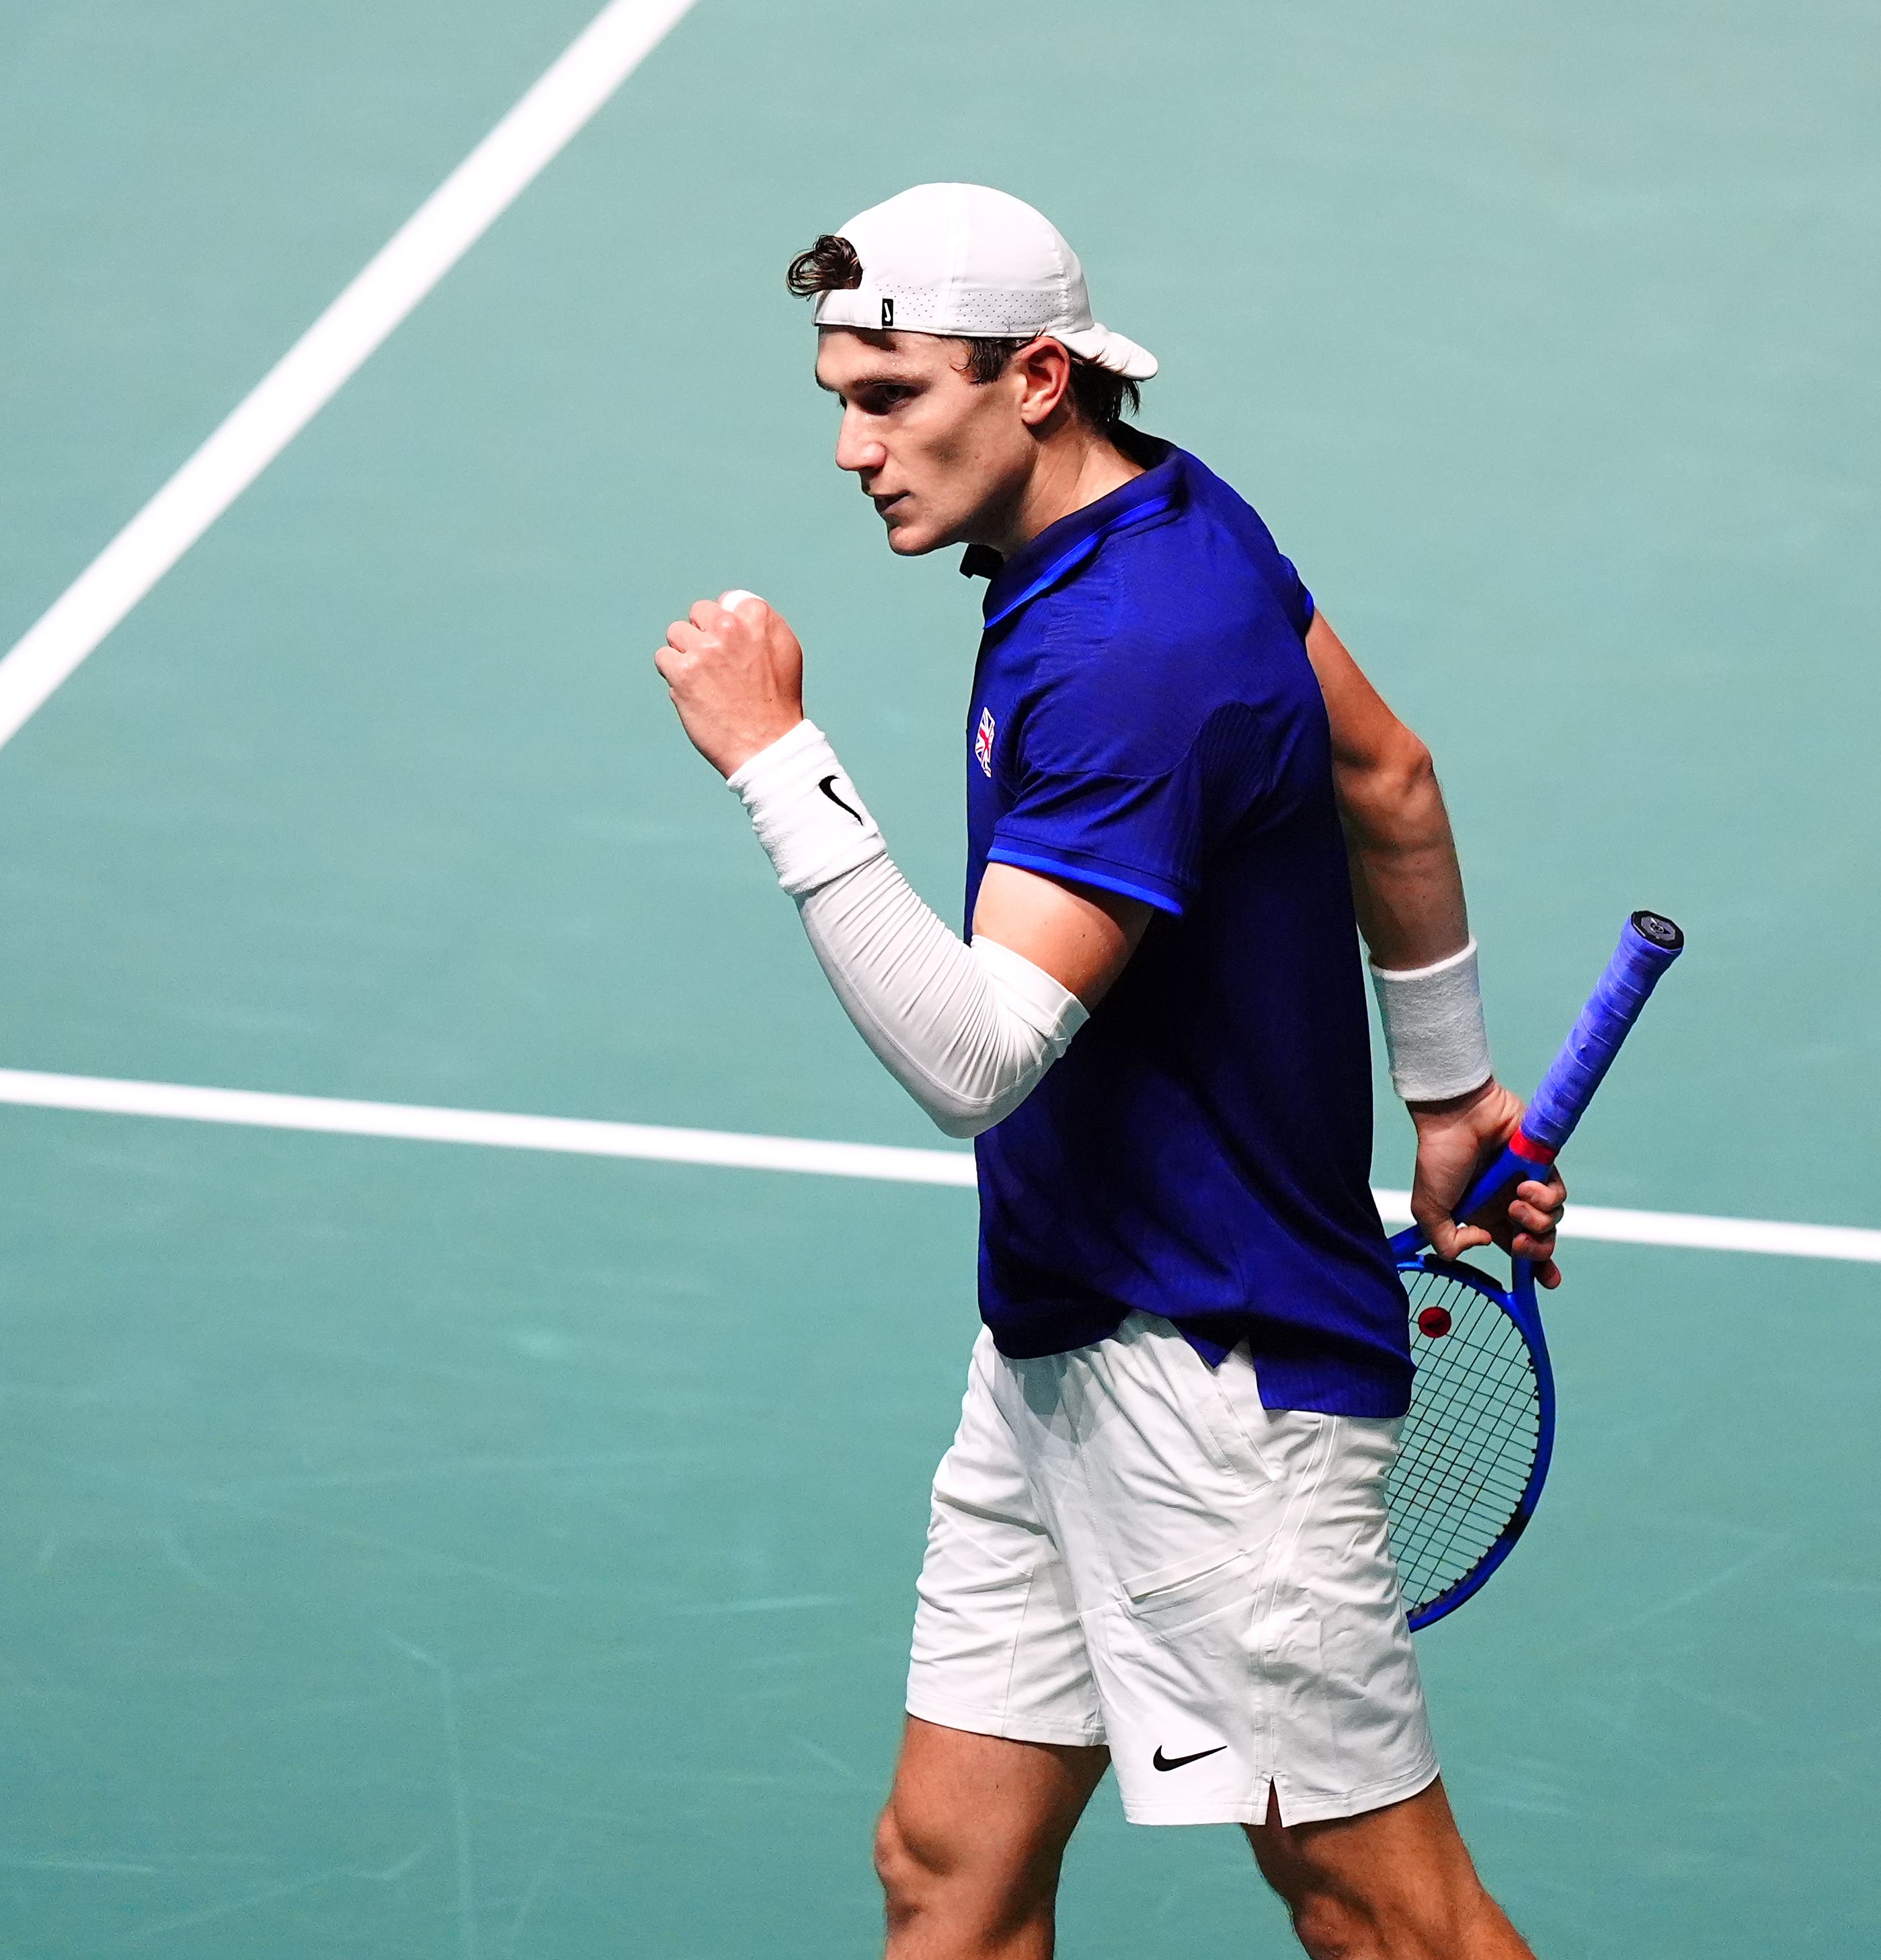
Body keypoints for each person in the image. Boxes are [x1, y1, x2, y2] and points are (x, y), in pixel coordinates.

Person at [653, 183, 1562, 1960]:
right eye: (840, 394)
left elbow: (977, 1050)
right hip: (1069, 1322)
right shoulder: (1173, 521)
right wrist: (1451, 1099)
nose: (853, 444)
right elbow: (1384, 773)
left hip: (1216, 1380)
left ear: (1040, 377)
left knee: (1388, 1918)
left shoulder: (1131, 654)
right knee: (947, 1872)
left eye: (893, 394)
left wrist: (778, 763)